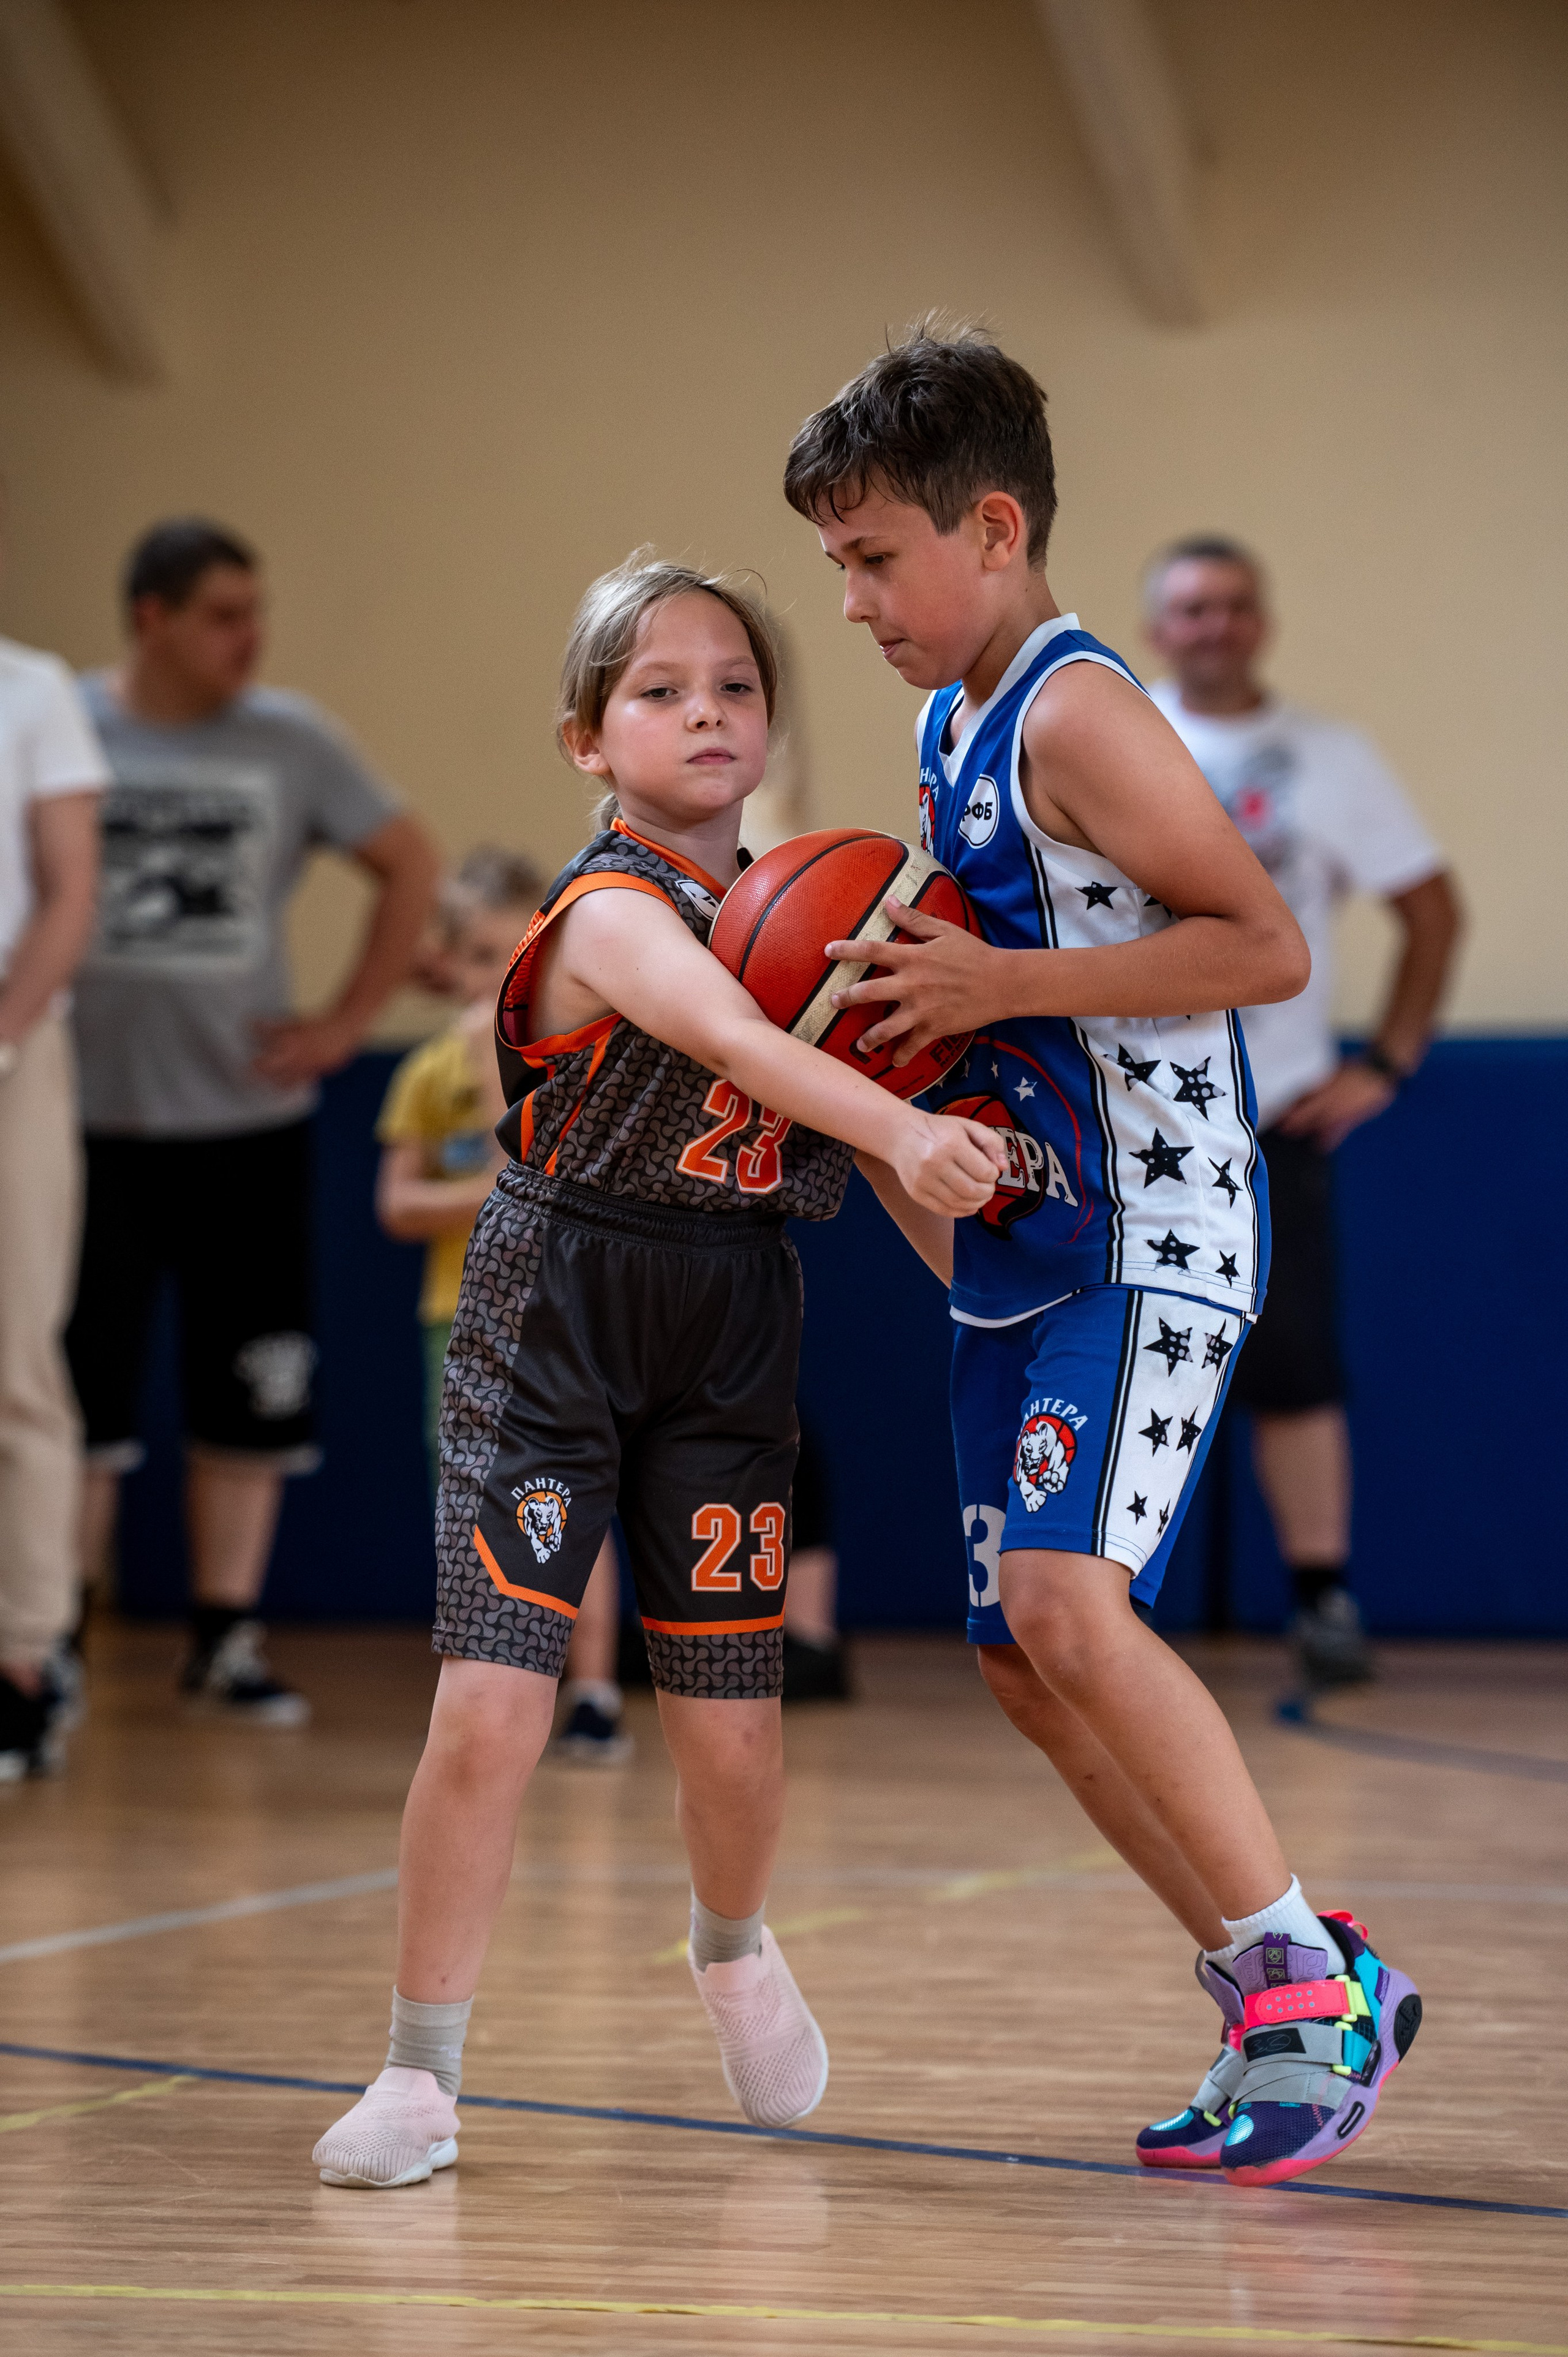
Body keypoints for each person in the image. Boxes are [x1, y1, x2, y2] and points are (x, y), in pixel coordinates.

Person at [782, 322, 1422, 2187]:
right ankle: (1271, 1981)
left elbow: (1266, 944)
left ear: (994, 529)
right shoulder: (947, 720)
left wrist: (1006, 983)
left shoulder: (1075, 706)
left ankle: (1314, 1997)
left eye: (874, 556)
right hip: (1029, 1237)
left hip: (1159, 1233)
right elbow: (974, 1004)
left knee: (1073, 1609)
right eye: (835, 563)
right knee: (1015, 1655)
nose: (854, 599)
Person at [311, 555, 1003, 2188]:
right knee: (493, 1709)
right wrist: (905, 1118)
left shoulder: (825, 920)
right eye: (659, 690)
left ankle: (735, 1948)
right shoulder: (607, 910)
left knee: (737, 1732)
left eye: (736, 688)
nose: (704, 711)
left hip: (731, 1319)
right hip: (552, 1308)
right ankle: (420, 2073)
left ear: (770, 729)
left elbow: (884, 1161)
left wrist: (992, 1288)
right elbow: (743, 1045)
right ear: (587, 741)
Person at [66, 519, 439, 1725]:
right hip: (80, 1125)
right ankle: (51, 1641)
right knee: (78, 1396)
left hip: (247, 1128)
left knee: (251, 1390)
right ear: (151, 618)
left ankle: (225, 1639)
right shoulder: (62, 726)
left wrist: (345, 1022)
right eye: (223, 613)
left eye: (255, 611)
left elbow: (410, 861)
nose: (250, 636)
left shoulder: (289, 740)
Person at [1143, 537, 1462, 1683]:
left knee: (1295, 1369)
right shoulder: (1123, 737)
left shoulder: (1332, 757)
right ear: (1156, 630)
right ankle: (1104, 1600)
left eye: (1233, 606)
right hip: (1133, 1118)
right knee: (1127, 1355)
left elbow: (1433, 912)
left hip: (1272, 1114)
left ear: (1261, 622)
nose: (1213, 625)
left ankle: (1323, 1597)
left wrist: (1388, 1061)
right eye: (1190, 608)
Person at [375, 845, 631, 1762]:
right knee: (476, 1511)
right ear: (451, 961)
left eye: (514, 956)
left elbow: (551, 1178)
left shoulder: (579, 1063)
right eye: (481, 958)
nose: (497, 979)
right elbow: (401, 1202)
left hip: (561, 1315)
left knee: (570, 1504)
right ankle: (488, 1693)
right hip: (459, 1319)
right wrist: (483, 1191)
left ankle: (595, 1689)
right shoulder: (429, 1072)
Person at [0, 610, 107, 1779]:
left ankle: (23, 1656)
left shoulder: (32, 692)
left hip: (15, 1046)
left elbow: (69, 894)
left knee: (15, 1359)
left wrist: (3, 1040)